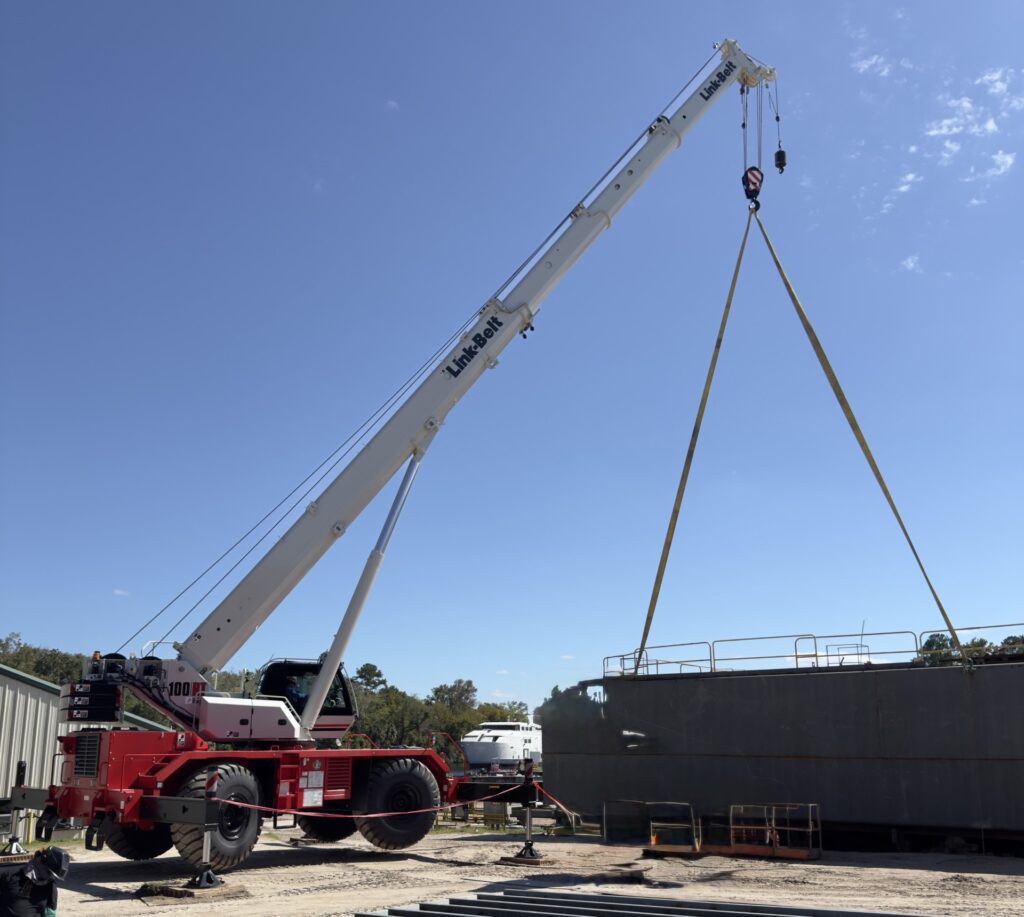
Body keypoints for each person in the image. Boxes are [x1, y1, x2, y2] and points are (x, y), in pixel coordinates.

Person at [0, 846, 69, 917]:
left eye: (53, 876)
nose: (50, 877)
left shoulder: (50, 886)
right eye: (49, 872)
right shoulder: (10, 875)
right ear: (41, 860)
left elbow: (50, 913)